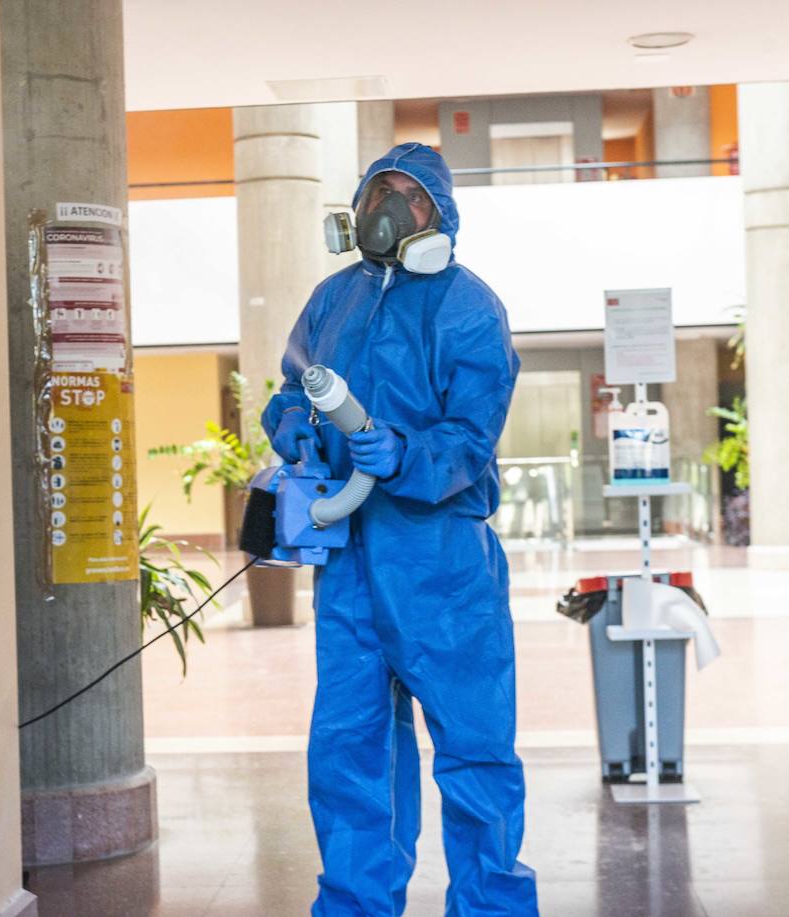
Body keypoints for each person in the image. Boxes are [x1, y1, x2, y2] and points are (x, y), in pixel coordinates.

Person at [261, 142, 539, 917]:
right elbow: (288, 391)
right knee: (351, 752)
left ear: (437, 215)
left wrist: (405, 452)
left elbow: (472, 436)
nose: (384, 206)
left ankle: (491, 904)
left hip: (442, 564)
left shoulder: (468, 305)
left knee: (474, 750)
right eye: (375, 190)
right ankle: (353, 903)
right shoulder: (332, 298)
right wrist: (300, 432)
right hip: (348, 567)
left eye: (404, 195)